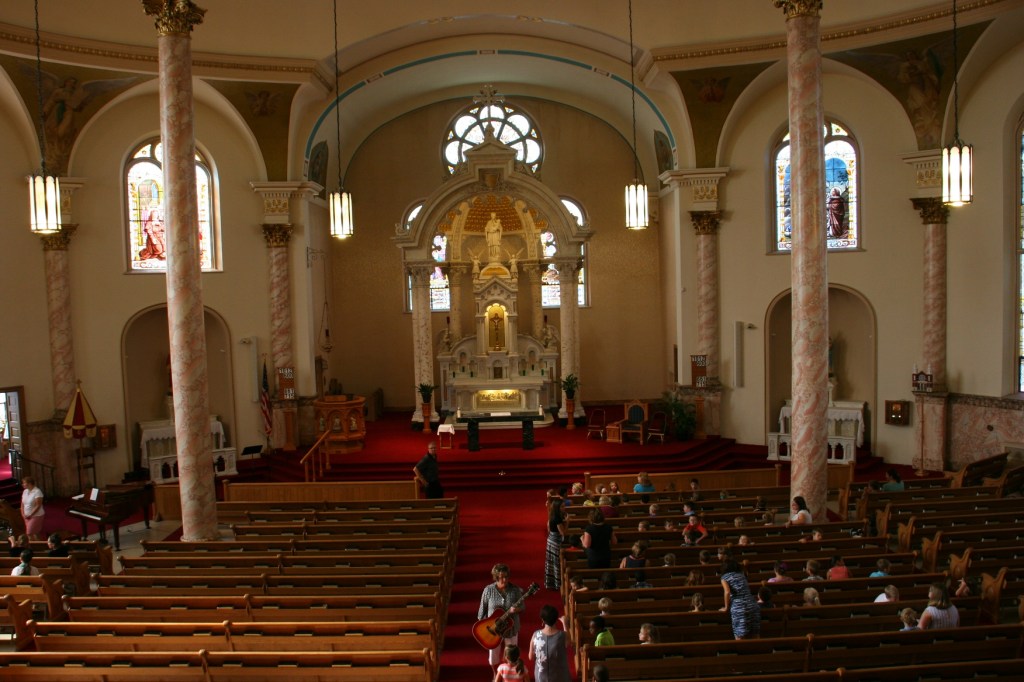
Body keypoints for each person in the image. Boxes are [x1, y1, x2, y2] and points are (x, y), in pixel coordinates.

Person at [479, 564, 526, 676]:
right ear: (496, 577)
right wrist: (486, 627)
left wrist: (516, 609)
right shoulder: (488, 590)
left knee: (512, 654)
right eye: (501, 577)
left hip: (511, 628)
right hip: (494, 630)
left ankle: (510, 674)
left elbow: (523, 607)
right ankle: (496, 674)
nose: (504, 580)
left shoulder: (515, 590)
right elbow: (481, 612)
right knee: (493, 656)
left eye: (506, 577)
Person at [528, 604, 571, 682]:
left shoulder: (536, 635)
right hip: (559, 676)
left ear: (543, 620)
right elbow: (568, 642)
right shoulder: (562, 635)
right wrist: (565, 624)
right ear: (556, 619)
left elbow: (531, 657)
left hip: (541, 676)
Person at [719, 558, 760, 639]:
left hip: (739, 607)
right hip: (753, 605)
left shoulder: (724, 577)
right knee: (755, 635)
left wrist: (726, 607)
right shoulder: (741, 574)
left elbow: (727, 592)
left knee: (740, 637)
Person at [544, 499, 567, 590]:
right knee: (556, 563)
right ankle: (557, 584)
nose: (564, 508)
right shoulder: (557, 518)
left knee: (551, 562)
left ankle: (551, 583)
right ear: (558, 508)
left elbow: (549, 529)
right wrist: (568, 522)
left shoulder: (553, 515)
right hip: (555, 543)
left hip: (551, 540)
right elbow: (563, 533)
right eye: (562, 506)